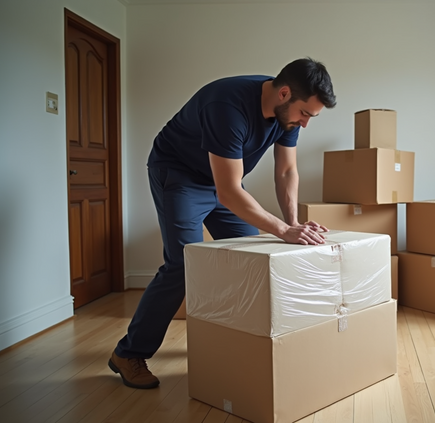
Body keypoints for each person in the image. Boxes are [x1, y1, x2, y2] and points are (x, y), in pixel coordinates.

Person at [108, 58, 336, 389]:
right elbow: (229, 192)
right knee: (182, 264)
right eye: (305, 114)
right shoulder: (228, 105)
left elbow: (286, 171)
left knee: (249, 257)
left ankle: (227, 340)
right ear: (284, 93)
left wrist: (293, 225)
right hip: (180, 173)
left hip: (223, 180)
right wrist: (283, 230)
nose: (305, 124)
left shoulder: (286, 117)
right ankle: (128, 354)